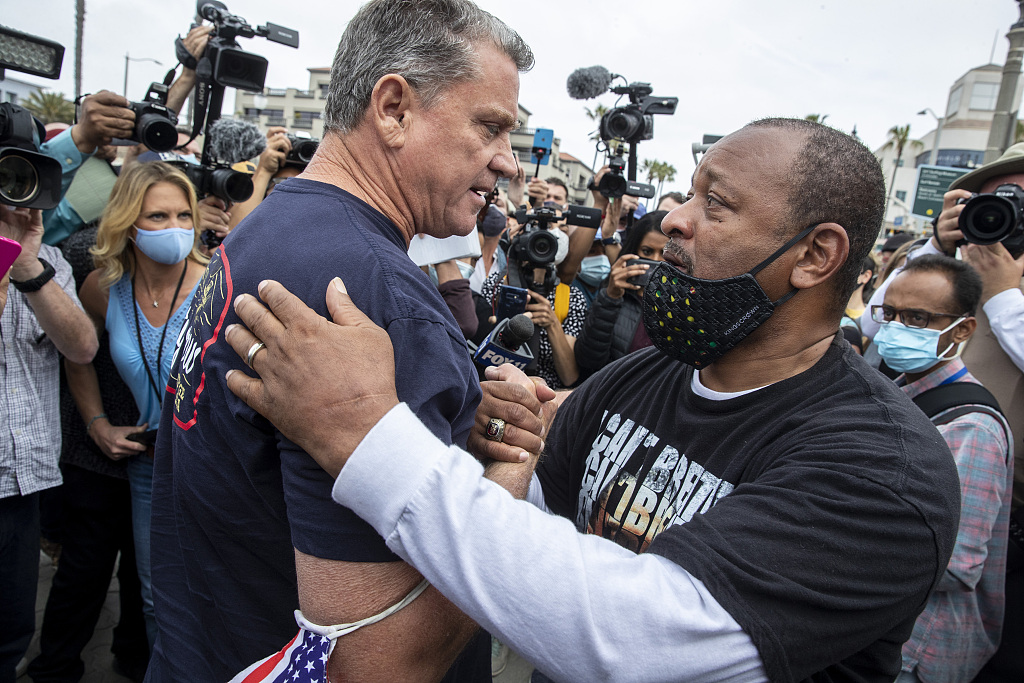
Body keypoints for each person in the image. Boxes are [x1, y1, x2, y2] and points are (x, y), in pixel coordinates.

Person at [219, 118, 963, 682]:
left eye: (718, 204)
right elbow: (525, 511)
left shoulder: (884, 473)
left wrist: (367, 433)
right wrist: (501, 439)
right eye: (689, 193)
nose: (674, 217)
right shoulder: (648, 375)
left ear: (815, 255)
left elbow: (630, 635)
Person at [147, 2, 535, 682]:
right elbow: (374, 664)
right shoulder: (374, 294)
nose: (507, 161)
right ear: (393, 108)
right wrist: (509, 469)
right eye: (491, 126)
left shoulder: (276, 220)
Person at [1, 91, 127, 683]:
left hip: (22, 485)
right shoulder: (71, 250)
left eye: (17, 174)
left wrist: (25, 267)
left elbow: (80, 345)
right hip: (56, 469)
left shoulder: (44, 257)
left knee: (8, 637)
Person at [61, 162, 207, 655]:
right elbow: (79, 355)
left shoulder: (219, 286)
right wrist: (97, 423)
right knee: (154, 600)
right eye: (158, 217)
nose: (176, 229)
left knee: (210, 599)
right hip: (149, 469)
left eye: (184, 215)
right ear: (128, 223)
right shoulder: (106, 288)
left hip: (211, 467)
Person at [870, 255, 1012, 683]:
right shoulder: (899, 391)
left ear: (962, 329)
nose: (897, 329)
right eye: (890, 314)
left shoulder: (970, 428)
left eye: (918, 318)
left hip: (921, 650)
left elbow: (955, 564)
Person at [573, 210, 667, 378]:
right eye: (647, 251)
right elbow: (588, 360)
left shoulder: (686, 303)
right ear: (634, 252)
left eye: (665, 253)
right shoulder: (616, 295)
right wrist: (611, 297)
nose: (656, 260)